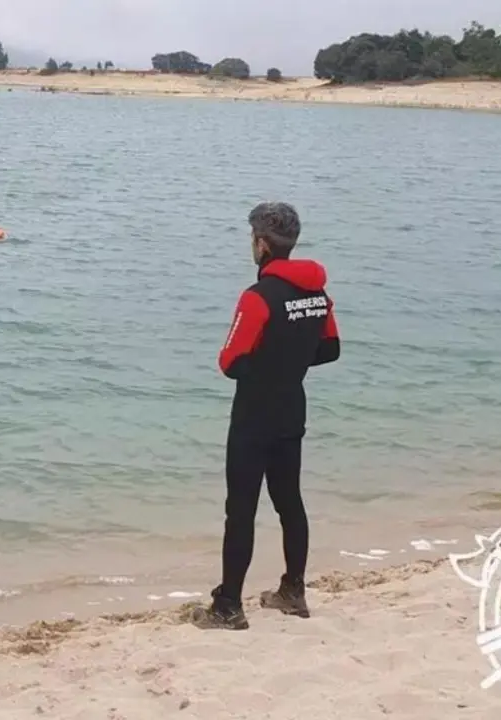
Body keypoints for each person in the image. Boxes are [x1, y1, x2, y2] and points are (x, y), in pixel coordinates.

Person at [195, 202, 341, 631]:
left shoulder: (257, 297)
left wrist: (266, 363)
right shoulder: (317, 294)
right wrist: (288, 362)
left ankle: (228, 606)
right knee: (289, 501)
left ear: (261, 244)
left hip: (254, 415)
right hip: (292, 409)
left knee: (240, 509)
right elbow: (330, 349)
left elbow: (230, 362)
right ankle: (293, 591)